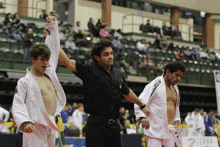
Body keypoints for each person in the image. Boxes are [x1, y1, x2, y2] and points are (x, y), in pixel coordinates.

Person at [58, 40, 150, 147]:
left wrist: (142, 105)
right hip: (96, 126)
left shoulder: (118, 74)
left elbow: (127, 92)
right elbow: (67, 62)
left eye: (111, 53)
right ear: (97, 57)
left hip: (114, 127)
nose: (110, 56)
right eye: (106, 54)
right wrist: (53, 39)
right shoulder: (89, 71)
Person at [12, 16, 66, 147]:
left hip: (51, 124)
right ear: (33, 59)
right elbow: (18, 103)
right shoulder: (25, 82)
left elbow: (53, 47)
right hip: (34, 126)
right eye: (42, 59)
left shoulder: (49, 73)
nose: (46, 63)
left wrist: (53, 26)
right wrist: (25, 122)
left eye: (47, 59)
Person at [134, 61, 185, 147]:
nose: (179, 78)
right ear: (168, 72)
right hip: (155, 131)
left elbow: (176, 108)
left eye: (180, 76)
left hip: (170, 131)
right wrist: (142, 117)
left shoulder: (176, 88)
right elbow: (140, 101)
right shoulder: (156, 84)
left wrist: (176, 123)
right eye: (177, 75)